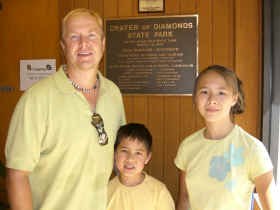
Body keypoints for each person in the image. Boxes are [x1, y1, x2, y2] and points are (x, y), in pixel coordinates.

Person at [5, 8, 126, 210]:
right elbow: (17, 175)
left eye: (92, 35)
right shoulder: (36, 99)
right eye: (74, 36)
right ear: (63, 46)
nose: (84, 43)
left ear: (103, 44)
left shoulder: (113, 93)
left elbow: (118, 156)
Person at [175, 65, 278, 210]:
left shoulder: (252, 148)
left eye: (221, 93)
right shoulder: (187, 146)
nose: (212, 99)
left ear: (234, 98)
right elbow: (184, 199)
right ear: (195, 98)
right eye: (204, 92)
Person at [107, 123, 175, 210]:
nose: (130, 159)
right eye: (124, 151)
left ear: (147, 158)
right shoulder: (106, 191)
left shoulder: (159, 192)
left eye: (138, 153)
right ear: (115, 153)